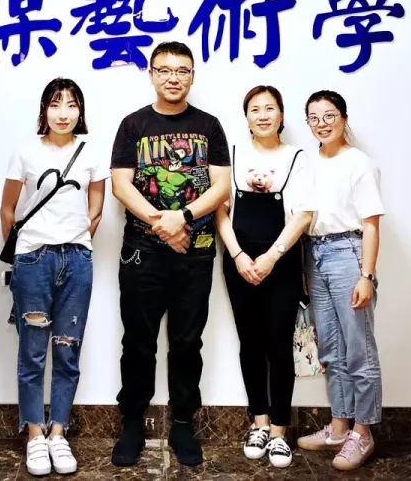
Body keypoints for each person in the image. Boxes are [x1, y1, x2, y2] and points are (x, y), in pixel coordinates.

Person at [109, 41, 231, 467]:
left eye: (182, 70)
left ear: (192, 76)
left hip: (194, 255)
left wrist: (184, 217)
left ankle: (182, 424)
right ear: (152, 74)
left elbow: (221, 187)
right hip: (142, 254)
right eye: (164, 70)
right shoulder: (133, 125)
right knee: (137, 343)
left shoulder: (209, 126)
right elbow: (121, 185)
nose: (173, 77)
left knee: (186, 344)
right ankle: (131, 424)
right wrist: (164, 225)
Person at [0, 78, 108, 476]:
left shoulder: (91, 152)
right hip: (34, 260)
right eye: (55, 104)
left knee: (67, 350)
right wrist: (25, 252)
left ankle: (58, 433)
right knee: (32, 353)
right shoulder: (25, 151)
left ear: (81, 111)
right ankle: (34, 435)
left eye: (71, 105)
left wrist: (77, 240)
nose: (63, 113)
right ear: (44, 110)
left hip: (77, 260)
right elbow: (8, 209)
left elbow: (96, 209)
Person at [216, 85, 314, 468]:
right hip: (239, 262)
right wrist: (238, 256)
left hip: (282, 263)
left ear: (281, 115)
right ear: (246, 118)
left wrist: (272, 257)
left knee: (279, 346)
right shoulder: (233, 154)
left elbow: (303, 215)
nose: (262, 115)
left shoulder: (296, 157)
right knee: (251, 343)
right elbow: (220, 210)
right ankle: (258, 422)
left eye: (269, 108)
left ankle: (278, 431)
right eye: (254, 109)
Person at [295, 90, 385, 472]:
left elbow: (371, 224)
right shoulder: (307, 162)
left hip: (349, 254)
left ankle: (362, 433)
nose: (322, 124)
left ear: (344, 119)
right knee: (330, 349)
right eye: (314, 118)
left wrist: (367, 275)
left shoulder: (360, 163)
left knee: (358, 350)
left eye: (329, 115)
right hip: (315, 254)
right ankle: (338, 427)